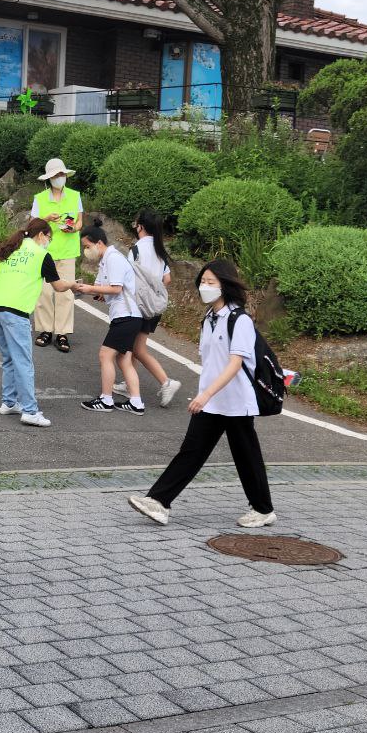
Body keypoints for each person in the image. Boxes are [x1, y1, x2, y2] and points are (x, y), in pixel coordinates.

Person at [128, 258, 277, 528]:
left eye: (211, 282)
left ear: (226, 285)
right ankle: (159, 502)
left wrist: (205, 394)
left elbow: (235, 364)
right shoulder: (208, 318)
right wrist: (206, 395)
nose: (205, 287)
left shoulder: (238, 319)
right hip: (211, 401)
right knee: (191, 451)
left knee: (246, 456)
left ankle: (263, 509)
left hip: (236, 403)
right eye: (203, 282)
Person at [0, 218, 74, 428]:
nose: (48, 242)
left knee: (9, 359)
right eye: (49, 238)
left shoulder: (9, 250)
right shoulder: (41, 254)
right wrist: (75, 284)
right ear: (42, 234)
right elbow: (59, 286)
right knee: (24, 362)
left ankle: (9, 402)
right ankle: (30, 411)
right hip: (16, 312)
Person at [73, 225, 145, 415]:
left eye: (87, 246)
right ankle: (136, 402)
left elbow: (116, 288)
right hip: (127, 316)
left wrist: (89, 289)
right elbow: (102, 288)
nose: (85, 251)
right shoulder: (106, 260)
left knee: (106, 355)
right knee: (124, 359)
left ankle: (106, 399)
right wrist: (92, 291)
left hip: (126, 316)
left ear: (99, 243)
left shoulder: (113, 259)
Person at [116, 210, 182, 408]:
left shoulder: (136, 249)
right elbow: (167, 279)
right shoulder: (159, 249)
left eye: (136, 223)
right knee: (135, 346)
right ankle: (129, 383)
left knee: (136, 348)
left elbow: (128, 277)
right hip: (155, 306)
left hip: (138, 306)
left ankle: (166, 381)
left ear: (141, 226)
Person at [30, 157, 84, 353]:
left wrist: (74, 229)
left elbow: (79, 222)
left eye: (62, 174)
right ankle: (45, 330)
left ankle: (62, 333)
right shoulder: (40, 198)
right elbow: (33, 224)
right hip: (45, 251)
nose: (60, 178)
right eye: (56, 175)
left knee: (66, 293)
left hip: (68, 249)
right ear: (49, 178)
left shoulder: (75, 195)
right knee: (43, 292)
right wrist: (47, 218)